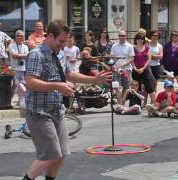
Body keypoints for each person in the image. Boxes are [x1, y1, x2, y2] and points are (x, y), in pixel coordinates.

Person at [23, 19, 112, 180]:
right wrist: (57, 86)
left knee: (62, 153)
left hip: (57, 111)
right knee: (52, 155)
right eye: (61, 41)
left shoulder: (60, 53)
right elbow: (30, 82)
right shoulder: (36, 54)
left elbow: (69, 74)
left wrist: (94, 80)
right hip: (39, 112)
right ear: (49, 36)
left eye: (65, 41)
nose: (63, 45)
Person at [109, 30, 135, 97]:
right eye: (120, 36)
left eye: (123, 36)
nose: (121, 37)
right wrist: (113, 65)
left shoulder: (129, 46)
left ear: (125, 36)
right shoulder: (114, 46)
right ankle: (119, 104)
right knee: (117, 86)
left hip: (126, 69)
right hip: (117, 69)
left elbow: (132, 58)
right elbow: (112, 57)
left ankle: (123, 102)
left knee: (126, 87)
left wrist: (124, 64)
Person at [132, 33, 156, 105]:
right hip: (135, 71)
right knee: (136, 88)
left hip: (145, 70)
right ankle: (137, 104)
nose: (140, 40)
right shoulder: (133, 48)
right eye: (138, 39)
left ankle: (154, 104)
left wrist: (143, 68)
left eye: (141, 39)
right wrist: (135, 68)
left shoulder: (147, 48)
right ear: (135, 40)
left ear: (143, 40)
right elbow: (131, 59)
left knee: (150, 87)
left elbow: (149, 59)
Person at [9, 30, 29, 106]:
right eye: (18, 36)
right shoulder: (11, 46)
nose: (20, 37)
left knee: (22, 85)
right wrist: (22, 55)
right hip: (15, 69)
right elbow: (14, 56)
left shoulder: (25, 46)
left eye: (21, 36)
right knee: (15, 85)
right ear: (15, 37)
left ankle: (20, 101)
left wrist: (18, 55)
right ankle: (9, 99)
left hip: (24, 69)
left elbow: (27, 56)